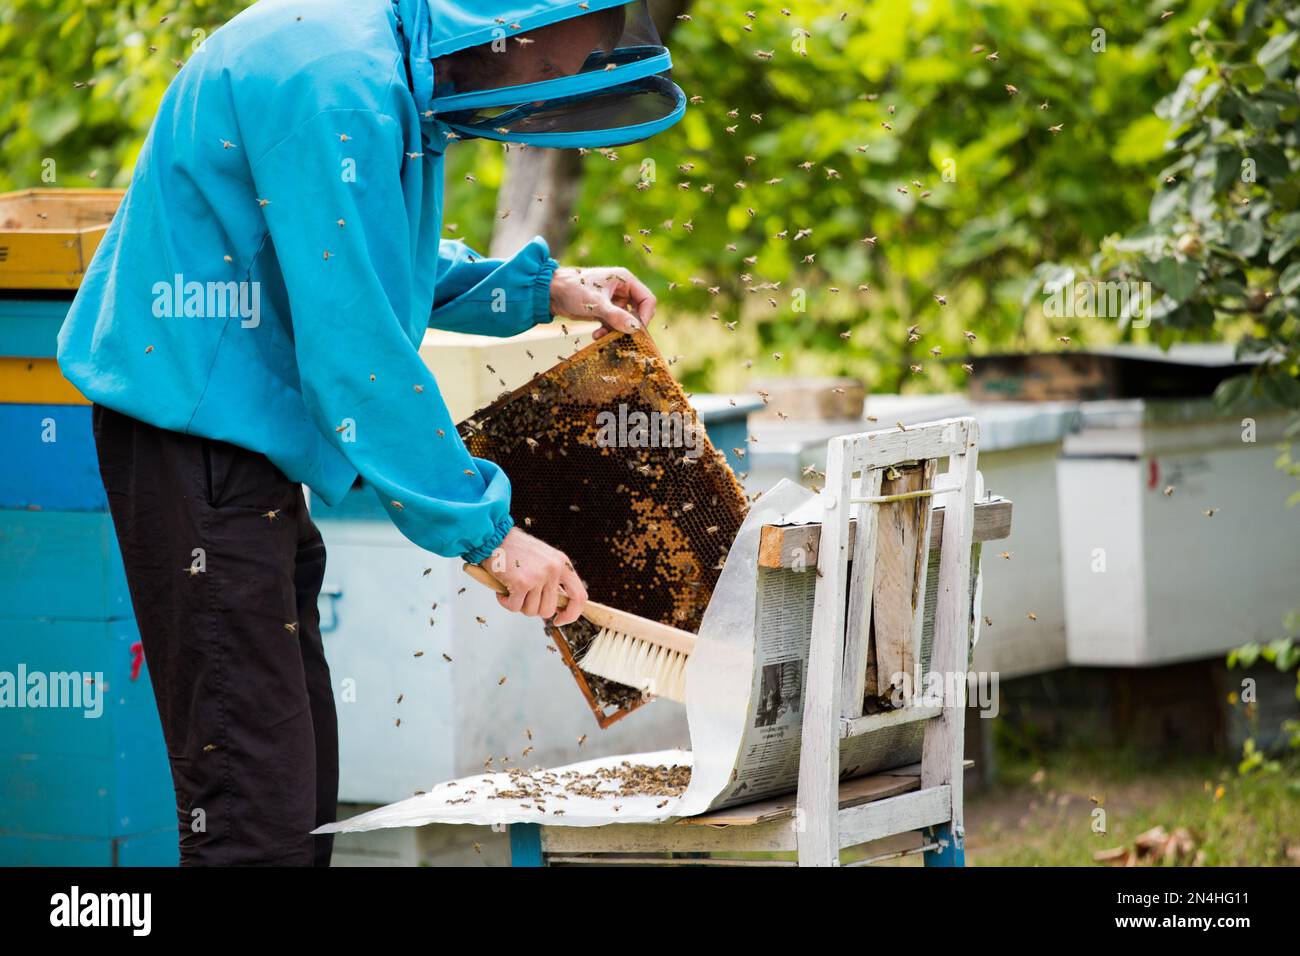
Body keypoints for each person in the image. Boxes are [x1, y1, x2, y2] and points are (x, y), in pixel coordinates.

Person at [56, 0, 686, 866]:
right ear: (507, 20)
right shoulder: (338, 83)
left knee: (297, 783)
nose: (546, 96)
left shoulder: (388, 70)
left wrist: (541, 289)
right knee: (253, 808)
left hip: (238, 446)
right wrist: (490, 537)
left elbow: (372, 259)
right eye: (548, 70)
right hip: (195, 439)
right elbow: (355, 347)